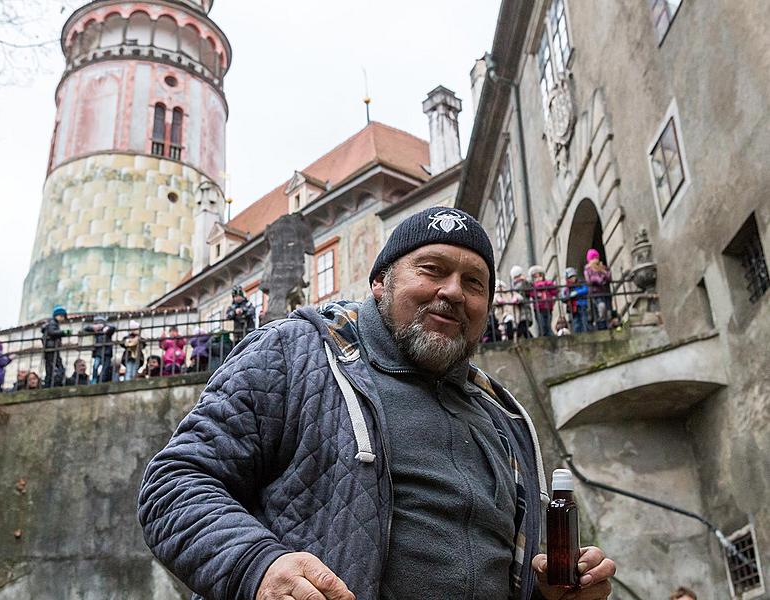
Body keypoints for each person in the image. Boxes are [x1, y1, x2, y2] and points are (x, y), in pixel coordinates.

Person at [138, 206, 615, 600]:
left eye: (474, 283)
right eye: (431, 269)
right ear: (380, 283)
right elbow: (174, 484)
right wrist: (257, 567)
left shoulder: (505, 420)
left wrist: (557, 595)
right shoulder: (294, 353)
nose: (452, 291)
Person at [81, 315, 116, 384]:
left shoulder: (107, 329)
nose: (98, 324)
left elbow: (113, 328)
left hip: (107, 352)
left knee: (105, 368)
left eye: (100, 323)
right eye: (96, 323)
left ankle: (102, 380)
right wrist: (94, 327)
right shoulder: (96, 331)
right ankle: (94, 380)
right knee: (95, 366)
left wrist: (106, 328)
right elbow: (85, 328)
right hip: (98, 352)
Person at [584, 249, 612, 330]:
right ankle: (601, 326)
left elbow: (609, 277)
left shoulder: (602, 267)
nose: (595, 260)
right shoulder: (588, 269)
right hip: (595, 292)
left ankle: (607, 325)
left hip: (605, 291)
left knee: (608, 311)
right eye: (593, 258)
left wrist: (603, 271)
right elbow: (589, 280)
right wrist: (598, 279)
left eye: (596, 258)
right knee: (601, 308)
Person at [42, 305, 70, 387]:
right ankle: (53, 382)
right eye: (62, 316)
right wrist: (64, 332)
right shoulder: (52, 323)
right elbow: (52, 332)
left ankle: (50, 382)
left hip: (51, 348)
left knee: (51, 367)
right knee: (56, 366)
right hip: (51, 348)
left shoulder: (52, 323)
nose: (63, 319)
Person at [560, 267, 590, 334]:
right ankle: (577, 334)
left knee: (584, 320)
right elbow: (562, 296)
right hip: (573, 307)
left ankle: (586, 332)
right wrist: (567, 295)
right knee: (576, 322)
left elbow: (585, 289)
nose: (572, 279)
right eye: (570, 277)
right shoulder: (566, 287)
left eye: (573, 277)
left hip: (582, 304)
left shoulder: (580, 282)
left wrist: (577, 292)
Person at [529, 265, 558, 337]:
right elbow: (532, 294)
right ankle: (543, 335)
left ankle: (549, 335)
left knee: (548, 323)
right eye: (535, 277)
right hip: (539, 308)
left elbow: (554, 291)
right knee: (542, 324)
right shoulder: (533, 287)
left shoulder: (548, 284)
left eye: (539, 276)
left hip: (548, 307)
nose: (538, 279)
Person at [510, 265, 534, 338]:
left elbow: (529, 289)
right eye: (515, 277)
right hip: (518, 312)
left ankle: (518, 341)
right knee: (523, 329)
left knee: (522, 329)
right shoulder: (514, 287)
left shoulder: (524, 283)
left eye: (519, 276)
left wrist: (525, 280)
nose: (518, 279)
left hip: (525, 311)